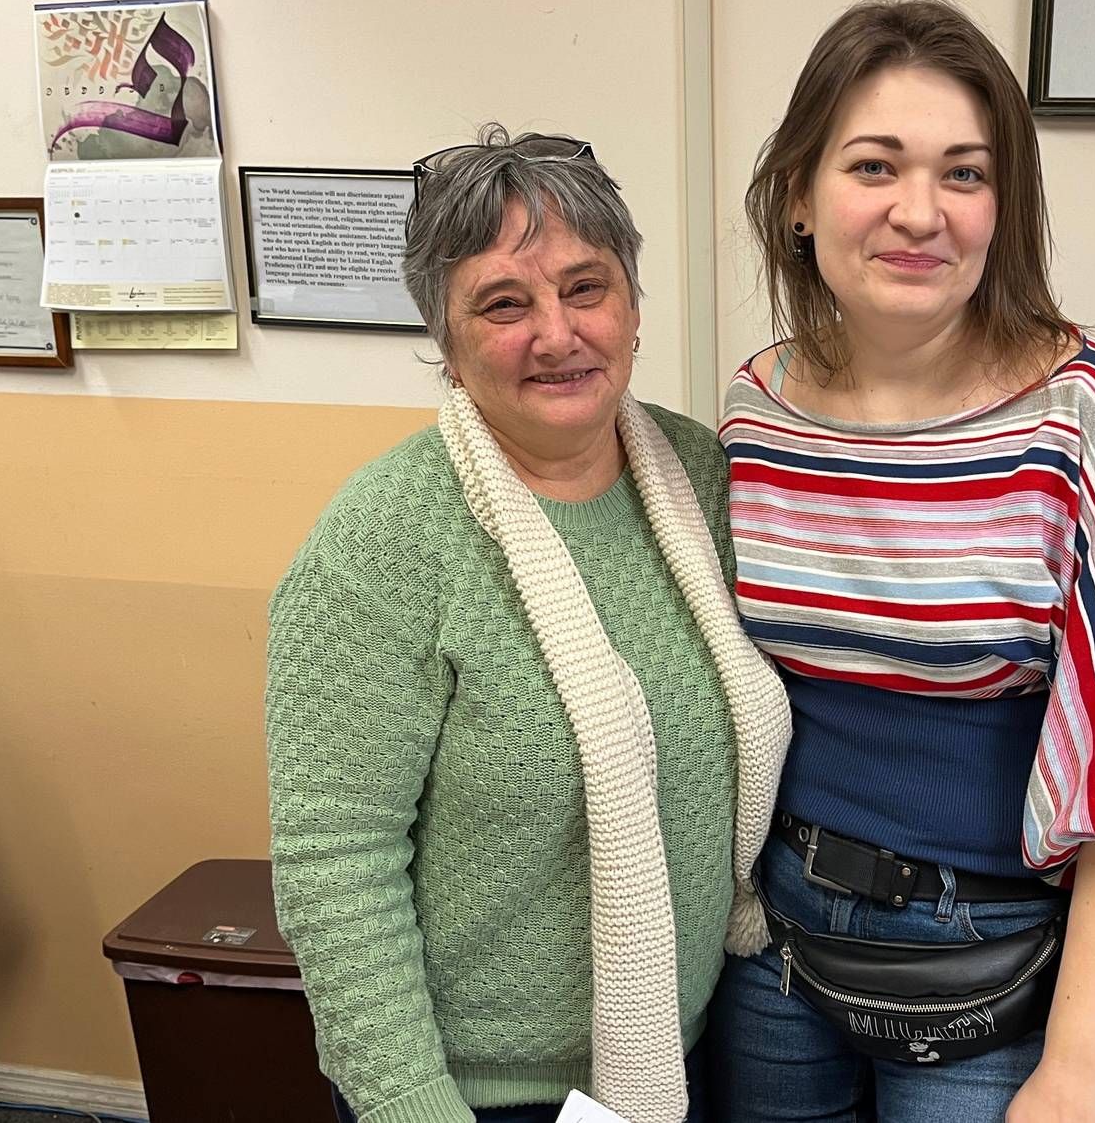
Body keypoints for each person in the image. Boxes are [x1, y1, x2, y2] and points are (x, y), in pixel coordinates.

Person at [710, 2, 1095, 1121]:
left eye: (963, 174)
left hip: (984, 957)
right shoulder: (755, 409)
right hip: (774, 946)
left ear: (1002, 207)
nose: (919, 211)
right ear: (798, 196)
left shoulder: (1087, 411)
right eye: (874, 165)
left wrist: (1078, 1068)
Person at [266, 125, 791, 1123]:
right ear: (448, 344)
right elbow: (335, 865)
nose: (556, 334)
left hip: (688, 1053)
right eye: (504, 304)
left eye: (586, 287)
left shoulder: (704, 480)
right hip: (475, 1093)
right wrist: (412, 1106)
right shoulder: (382, 541)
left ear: (632, 307)